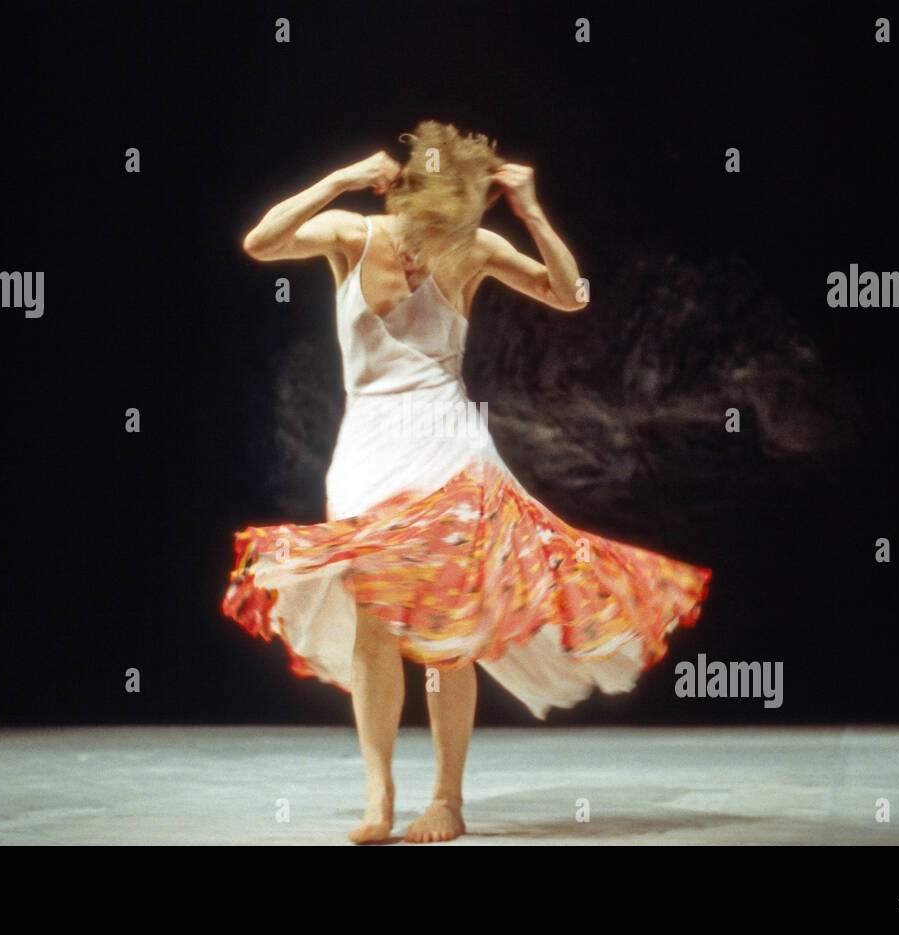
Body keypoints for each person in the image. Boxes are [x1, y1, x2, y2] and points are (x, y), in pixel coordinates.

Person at [222, 120, 712, 843]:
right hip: (366, 450)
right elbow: (258, 243)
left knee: (448, 624)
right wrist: (339, 179)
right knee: (374, 620)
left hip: (446, 448)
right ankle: (378, 793)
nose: (446, 231)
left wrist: (534, 211)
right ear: (408, 195)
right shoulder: (352, 235)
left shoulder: (473, 247)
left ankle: (446, 799)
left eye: (463, 215)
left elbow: (572, 294)